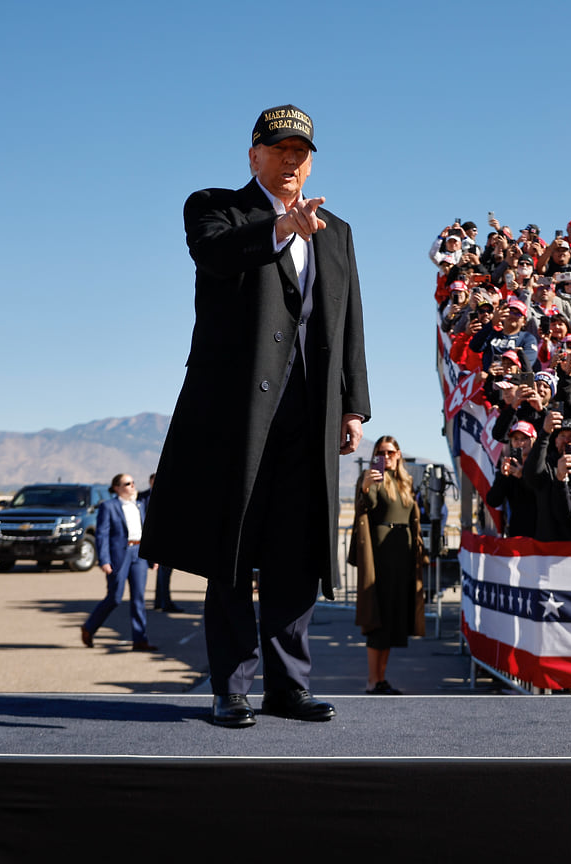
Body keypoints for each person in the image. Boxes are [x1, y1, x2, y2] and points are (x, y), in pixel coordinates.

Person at [140, 105, 370, 728]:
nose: (293, 159)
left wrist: (353, 405)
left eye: (303, 151)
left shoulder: (338, 231)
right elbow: (215, 257)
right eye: (280, 149)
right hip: (237, 414)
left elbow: (347, 322)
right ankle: (231, 688)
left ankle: (287, 687)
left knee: (297, 552)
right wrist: (279, 229)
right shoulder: (215, 208)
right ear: (254, 156)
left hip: (310, 411)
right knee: (234, 550)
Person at [351, 436, 425, 695]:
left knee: (393, 617)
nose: (387, 456)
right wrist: (366, 487)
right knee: (377, 618)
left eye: (391, 452)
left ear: (399, 454)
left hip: (402, 556)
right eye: (381, 452)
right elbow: (365, 508)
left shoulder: (405, 482)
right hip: (381, 555)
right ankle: (372, 681)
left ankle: (381, 679)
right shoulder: (371, 478)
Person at [81, 474, 156, 652]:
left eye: (133, 483)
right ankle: (89, 627)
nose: (132, 486)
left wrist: (152, 558)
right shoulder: (109, 506)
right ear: (117, 487)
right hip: (119, 556)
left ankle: (140, 640)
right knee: (115, 597)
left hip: (138, 554)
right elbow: (102, 535)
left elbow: (147, 531)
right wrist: (104, 560)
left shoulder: (139, 505)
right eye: (127, 483)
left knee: (139, 598)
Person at [138, 473, 181, 613]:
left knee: (164, 573)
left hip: (165, 540)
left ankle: (162, 602)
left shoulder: (168, 496)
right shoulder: (142, 497)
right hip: (148, 540)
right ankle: (163, 602)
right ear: (150, 481)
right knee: (162, 572)